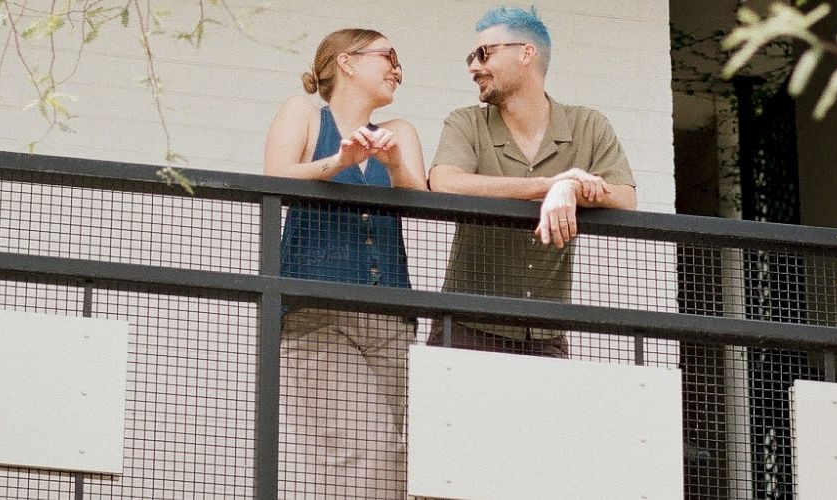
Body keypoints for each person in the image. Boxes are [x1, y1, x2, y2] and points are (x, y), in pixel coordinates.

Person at [261, 28, 422, 499]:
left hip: (392, 319)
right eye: (388, 56)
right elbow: (274, 176)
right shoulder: (306, 116)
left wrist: (393, 165)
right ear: (347, 62)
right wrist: (338, 161)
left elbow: (421, 199)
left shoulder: (402, 132)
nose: (397, 68)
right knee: (360, 450)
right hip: (318, 315)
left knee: (396, 452)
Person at [427, 6, 636, 358]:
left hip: (545, 334)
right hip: (465, 327)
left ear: (526, 53)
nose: (473, 67)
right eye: (471, 56)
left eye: (484, 53)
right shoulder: (465, 122)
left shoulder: (589, 125)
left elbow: (625, 198)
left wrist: (568, 188)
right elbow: (445, 181)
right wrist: (550, 185)